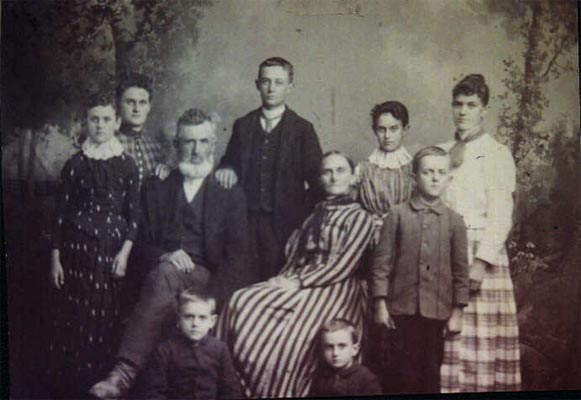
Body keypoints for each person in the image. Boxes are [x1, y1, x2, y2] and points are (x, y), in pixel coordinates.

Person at [89, 108, 249, 399]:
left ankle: (121, 375)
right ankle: (123, 377)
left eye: (203, 142)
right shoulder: (157, 185)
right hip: (163, 271)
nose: (196, 150)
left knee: (164, 278)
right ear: (176, 146)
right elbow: (139, 243)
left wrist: (210, 299)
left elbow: (237, 257)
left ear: (213, 144)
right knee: (164, 274)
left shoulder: (230, 192)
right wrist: (165, 255)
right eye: (188, 142)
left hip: (206, 276)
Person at [218, 151, 375, 398]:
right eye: (327, 171)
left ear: (353, 176)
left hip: (336, 288)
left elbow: (343, 265)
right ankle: (226, 385)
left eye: (340, 170)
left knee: (295, 336)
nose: (334, 177)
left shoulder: (360, 217)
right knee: (240, 300)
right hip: (297, 280)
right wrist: (283, 279)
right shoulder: (315, 214)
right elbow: (294, 253)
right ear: (320, 178)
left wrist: (298, 282)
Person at [47, 91, 140, 397]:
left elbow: (134, 215)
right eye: (94, 119)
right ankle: (72, 383)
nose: (100, 125)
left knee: (105, 313)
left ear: (116, 123)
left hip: (112, 250)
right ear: (86, 122)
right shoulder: (75, 164)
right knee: (75, 314)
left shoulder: (128, 165)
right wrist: (56, 259)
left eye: (106, 119)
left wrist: (125, 253)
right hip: (76, 250)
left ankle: (102, 384)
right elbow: (60, 215)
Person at [438, 74, 521, 392]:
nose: (463, 111)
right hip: (446, 252)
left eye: (471, 105)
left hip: (481, 254)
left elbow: (501, 214)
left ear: (484, 109)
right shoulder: (442, 152)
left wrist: (482, 262)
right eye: (458, 104)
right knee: (449, 339)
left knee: (480, 342)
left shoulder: (496, 153)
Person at [370, 146, 469, 394]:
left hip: (436, 311)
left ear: (449, 177)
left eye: (440, 172)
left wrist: (457, 311)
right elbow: (381, 263)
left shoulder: (455, 221)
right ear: (414, 177)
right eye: (427, 172)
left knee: (429, 374)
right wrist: (380, 303)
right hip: (400, 310)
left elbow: (460, 270)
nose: (435, 178)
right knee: (399, 374)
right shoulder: (397, 214)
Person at [215, 57, 323, 281]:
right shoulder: (243, 125)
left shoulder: (302, 129)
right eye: (266, 82)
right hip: (245, 222)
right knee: (243, 280)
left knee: (277, 282)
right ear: (257, 85)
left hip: (285, 226)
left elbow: (317, 182)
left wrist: (302, 222)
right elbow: (229, 161)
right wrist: (226, 168)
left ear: (290, 87)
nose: (271, 88)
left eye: (279, 82)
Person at [140, 288, 241, 400]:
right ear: (179, 319)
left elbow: (231, 391)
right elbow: (154, 392)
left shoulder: (220, 349)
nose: (195, 323)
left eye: (202, 317)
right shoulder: (165, 350)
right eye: (189, 317)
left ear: (212, 321)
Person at [357, 100, 414, 242]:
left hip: (405, 235)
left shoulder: (414, 168)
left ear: (405, 129)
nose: (387, 136)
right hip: (369, 235)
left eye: (394, 129)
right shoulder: (363, 169)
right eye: (381, 129)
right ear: (374, 130)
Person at [116, 72, 166, 187]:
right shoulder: (109, 146)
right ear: (118, 104)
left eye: (142, 102)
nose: (137, 109)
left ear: (149, 107)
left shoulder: (156, 146)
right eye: (130, 102)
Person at [309, 319, 381, 397]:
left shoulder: (366, 379)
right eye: (329, 347)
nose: (335, 353)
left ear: (355, 349)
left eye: (342, 346)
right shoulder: (320, 375)